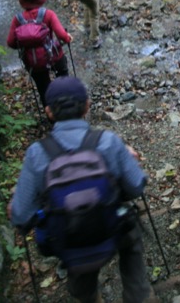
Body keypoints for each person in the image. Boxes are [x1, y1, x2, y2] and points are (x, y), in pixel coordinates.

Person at [9, 77, 155, 303]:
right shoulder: (108, 141)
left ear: (49, 112)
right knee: (131, 231)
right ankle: (139, 295)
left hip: (69, 242)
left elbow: (21, 216)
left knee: (73, 247)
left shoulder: (37, 154)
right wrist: (127, 161)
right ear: (87, 106)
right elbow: (136, 187)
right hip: (111, 230)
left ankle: (87, 295)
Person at [7, 0, 72, 107]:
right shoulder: (48, 14)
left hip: (33, 62)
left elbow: (11, 42)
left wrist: (27, 42)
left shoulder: (17, 19)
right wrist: (68, 38)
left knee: (43, 88)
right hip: (53, 56)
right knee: (63, 76)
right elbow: (62, 36)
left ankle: (52, 117)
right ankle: (67, 105)